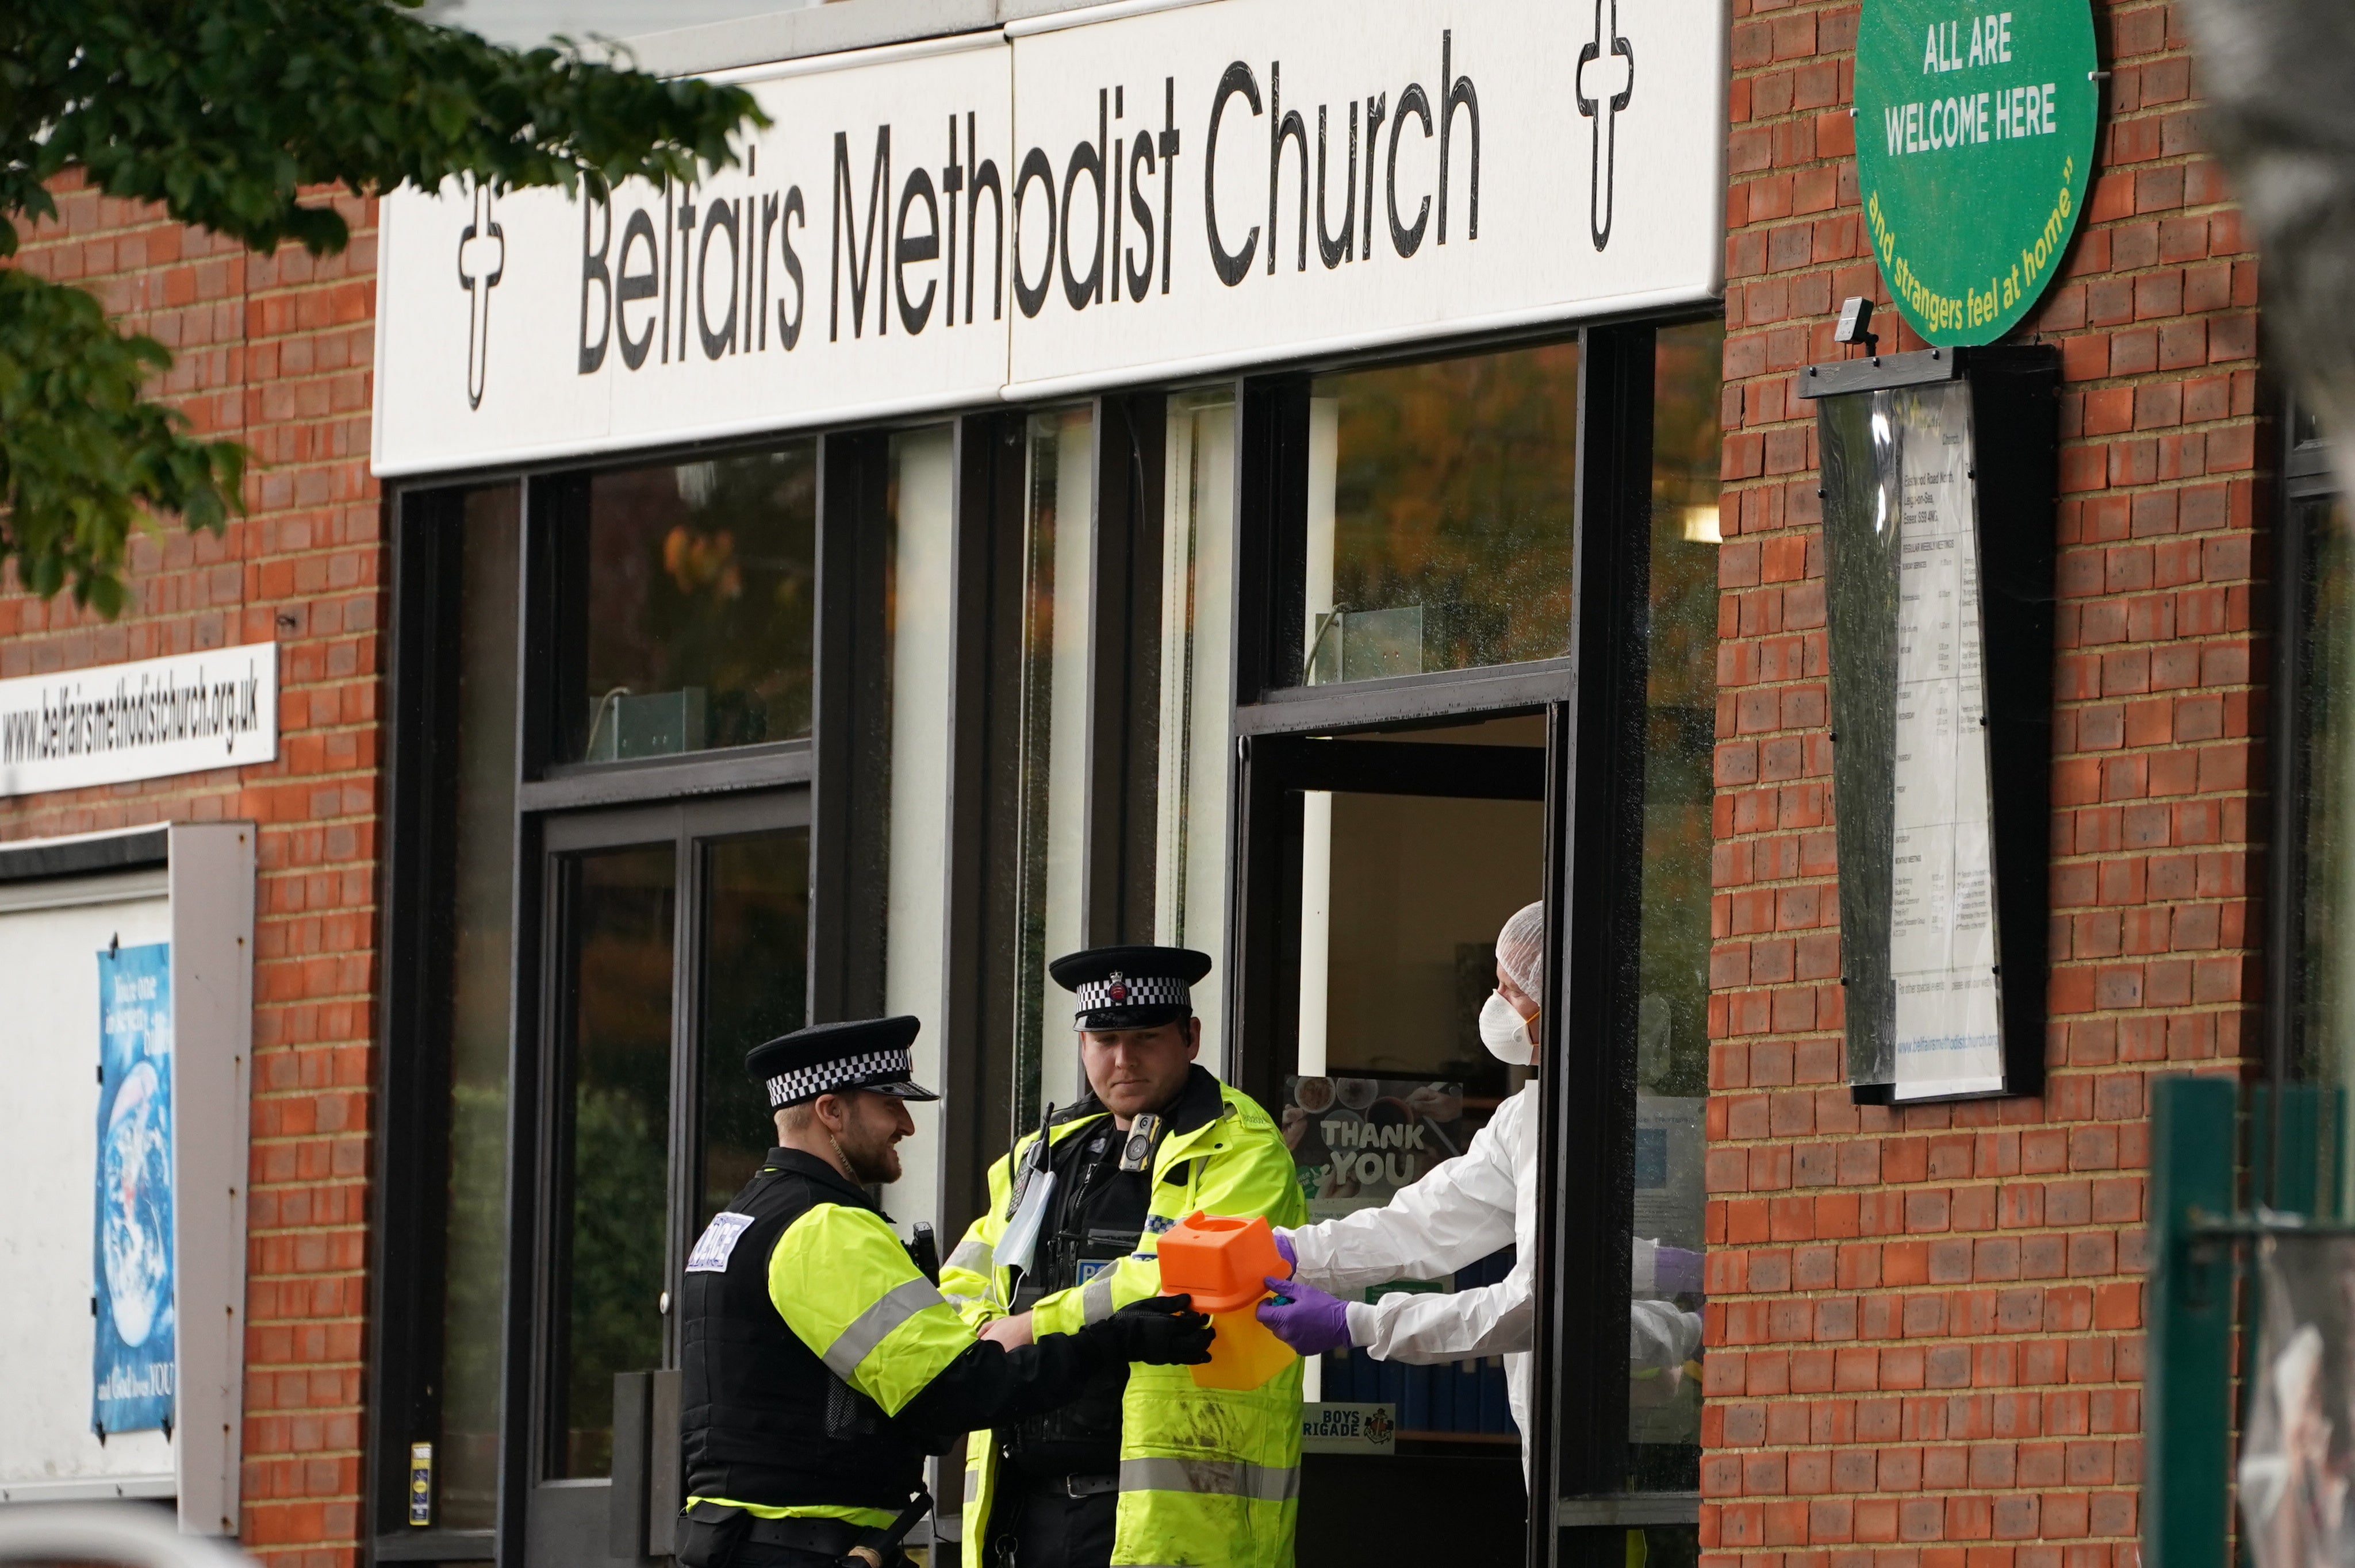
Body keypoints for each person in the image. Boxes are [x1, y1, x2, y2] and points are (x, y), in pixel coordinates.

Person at [676, 1016, 1216, 1568]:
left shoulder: (741, 1219)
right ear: (831, 1111)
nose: (906, 1126)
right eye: (890, 1105)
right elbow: (954, 1391)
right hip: (803, 1547)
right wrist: (1112, 1341)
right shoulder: (824, 1226)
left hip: (742, 1541)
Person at [1256, 902, 1705, 1479]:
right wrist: (1292, 1252)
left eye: (1511, 990)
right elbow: (1423, 1224)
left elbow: (1539, 1303)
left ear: (1567, 1000)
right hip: (1572, 1440)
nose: (1493, 1005)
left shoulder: (1589, 1120)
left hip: (1646, 1451)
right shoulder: (1530, 1117)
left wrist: (1360, 1324)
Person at [941, 946, 1305, 1568]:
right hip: (1024, 1508)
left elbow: (1179, 1275)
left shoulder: (1240, 1145)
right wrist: (981, 1336)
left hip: (1176, 1516)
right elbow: (965, 1280)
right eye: (1103, 1038)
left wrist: (1031, 1328)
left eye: (1146, 1038)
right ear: (1080, 1043)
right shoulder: (1043, 1152)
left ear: (1190, 1036)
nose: (1123, 1059)